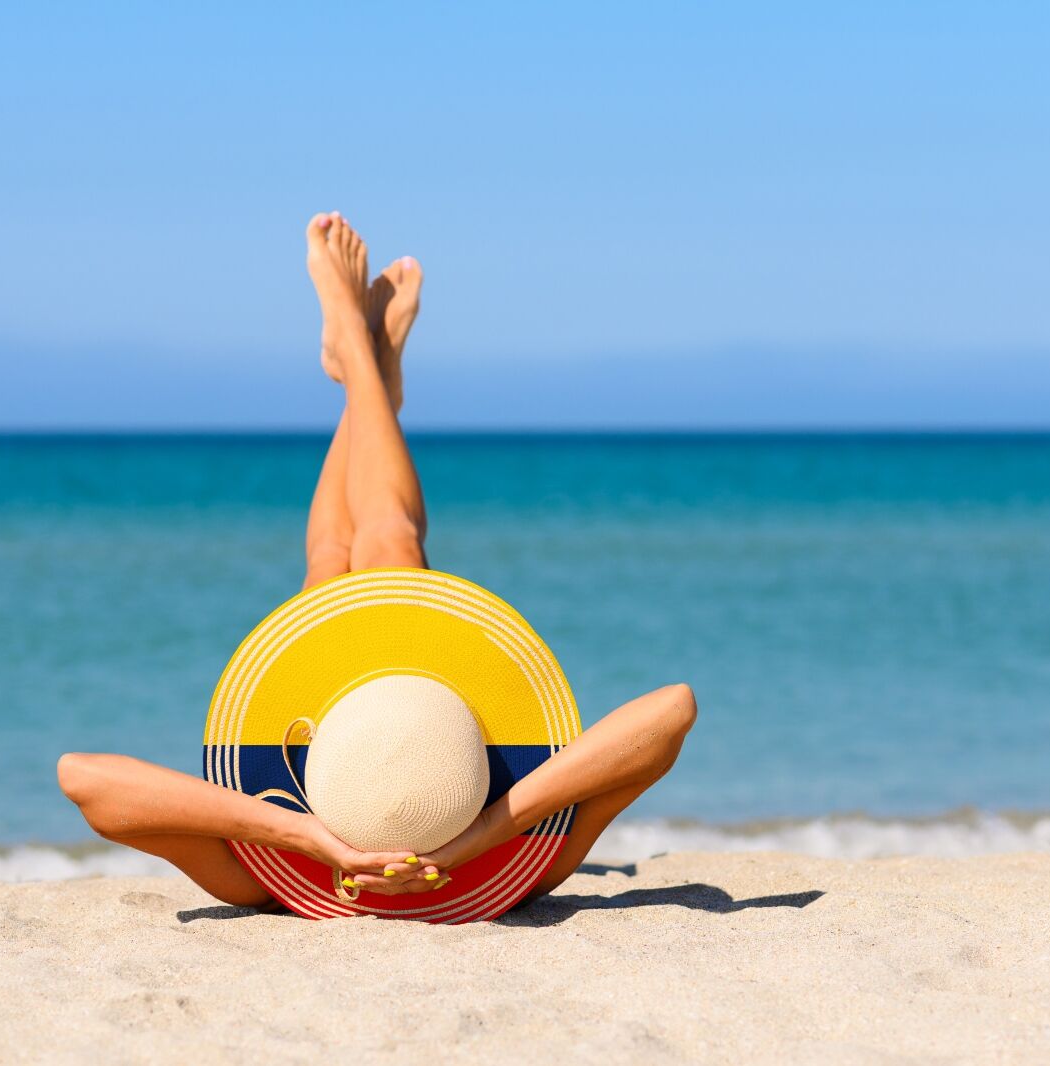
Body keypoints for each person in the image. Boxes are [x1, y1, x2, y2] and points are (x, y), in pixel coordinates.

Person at [56, 213, 697, 909]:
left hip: (325, 780)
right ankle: (364, 367)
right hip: (429, 747)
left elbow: (83, 776)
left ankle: (361, 363)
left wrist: (307, 839)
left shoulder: (265, 882)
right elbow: (672, 711)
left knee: (336, 559)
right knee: (389, 541)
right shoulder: (525, 868)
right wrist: (483, 835)